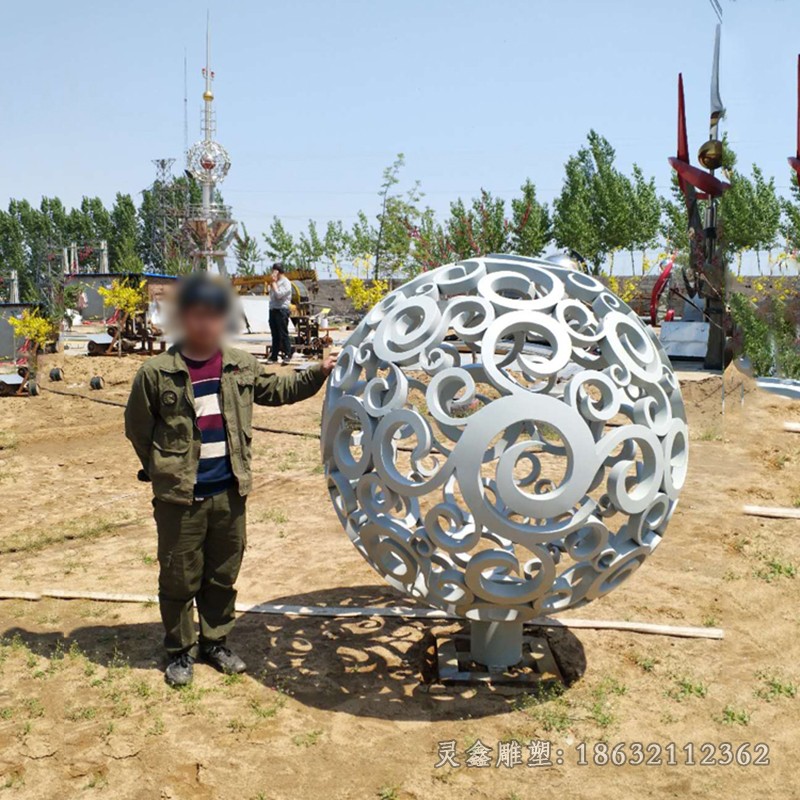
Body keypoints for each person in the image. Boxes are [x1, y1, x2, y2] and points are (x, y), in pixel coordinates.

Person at [124, 273, 337, 687]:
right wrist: (163, 471)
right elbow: (138, 428)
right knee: (179, 576)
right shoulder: (156, 373)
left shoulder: (239, 364)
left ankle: (214, 642)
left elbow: (278, 389)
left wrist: (318, 371)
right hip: (180, 499)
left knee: (222, 573)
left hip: (228, 491)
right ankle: (180, 652)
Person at [268, 262, 293, 364]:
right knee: (275, 334)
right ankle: (274, 356)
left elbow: (279, 295)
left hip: (281, 310)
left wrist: (273, 283)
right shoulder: (276, 282)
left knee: (283, 333)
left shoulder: (286, 282)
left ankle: (287, 354)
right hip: (273, 309)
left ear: (277, 271)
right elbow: (272, 296)